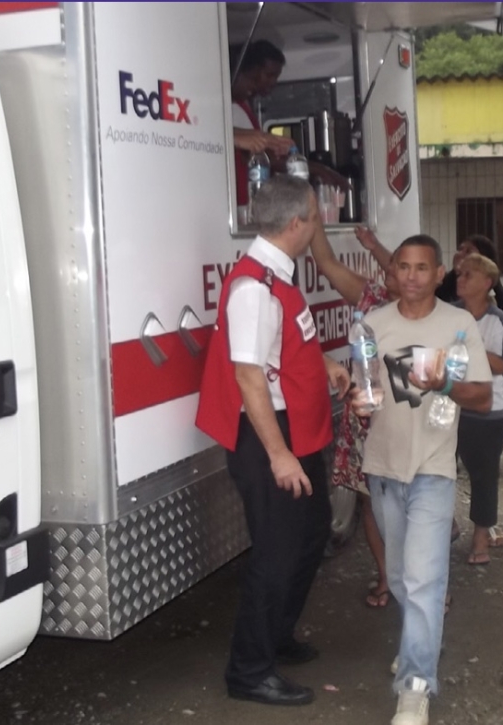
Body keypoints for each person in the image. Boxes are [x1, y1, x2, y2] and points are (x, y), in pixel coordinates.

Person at [195, 176, 351, 707]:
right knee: (278, 553)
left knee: (310, 536)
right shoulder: (255, 288)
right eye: (315, 215)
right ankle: (249, 671)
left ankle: (277, 636)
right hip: (270, 438)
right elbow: (248, 377)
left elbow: (277, 351)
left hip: (293, 430)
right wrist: (279, 454)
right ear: (295, 225)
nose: (319, 224)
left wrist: (324, 362)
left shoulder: (277, 276)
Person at [351, 234, 493, 725]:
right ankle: (420, 645)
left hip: (433, 467)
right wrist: (359, 400)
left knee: (425, 580)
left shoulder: (458, 325)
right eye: (402, 267)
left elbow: (482, 397)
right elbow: (367, 391)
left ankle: (415, 685)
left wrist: (445, 384)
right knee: (398, 578)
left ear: (438, 274)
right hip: (384, 468)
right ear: (393, 273)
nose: (410, 276)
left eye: (421, 268)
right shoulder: (372, 325)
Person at [308, 221, 396, 608]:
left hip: (410, 422)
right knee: (370, 500)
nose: (400, 276)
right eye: (394, 269)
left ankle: (426, 584)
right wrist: (310, 218)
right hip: (365, 419)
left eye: (413, 269)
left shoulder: (439, 315)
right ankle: (387, 577)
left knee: (414, 498)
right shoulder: (371, 297)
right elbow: (325, 261)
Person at [454, 254, 503, 565]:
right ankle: (444, 525)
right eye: (460, 273)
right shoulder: (449, 313)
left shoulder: (496, 318)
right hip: (450, 403)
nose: (460, 279)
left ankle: (480, 536)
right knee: (440, 469)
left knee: (483, 475)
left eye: (469, 275)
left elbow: (502, 364)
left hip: (489, 410)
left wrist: (470, 342)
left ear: (487, 284)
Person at [229, 41, 296, 209]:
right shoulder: (231, 109)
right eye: (253, 78)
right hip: (239, 203)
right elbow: (252, 154)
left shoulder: (242, 105)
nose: (255, 84)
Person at [436, 234, 503, 357]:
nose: (460, 254)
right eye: (460, 249)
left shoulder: (497, 295)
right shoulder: (441, 285)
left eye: (468, 251)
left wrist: (494, 364)